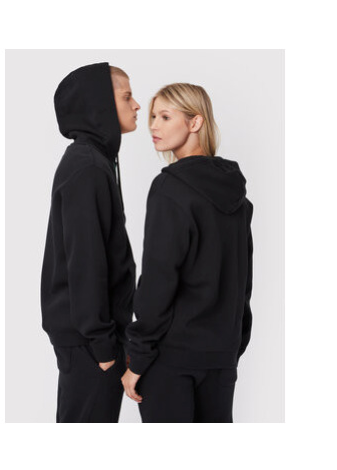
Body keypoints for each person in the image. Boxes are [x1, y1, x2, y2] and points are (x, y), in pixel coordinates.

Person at [121, 83, 254, 423]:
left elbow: (158, 279)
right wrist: (232, 345)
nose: (154, 126)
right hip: (220, 358)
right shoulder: (238, 196)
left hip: (171, 358)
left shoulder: (170, 187)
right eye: (152, 117)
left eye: (166, 117)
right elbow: (243, 281)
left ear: (195, 122)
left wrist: (138, 357)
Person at [41, 62, 140, 422]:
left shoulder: (93, 161)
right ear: (101, 103)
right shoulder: (88, 167)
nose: (137, 106)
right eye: (127, 97)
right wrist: (102, 346)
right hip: (91, 343)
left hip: (93, 338)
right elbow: (85, 261)